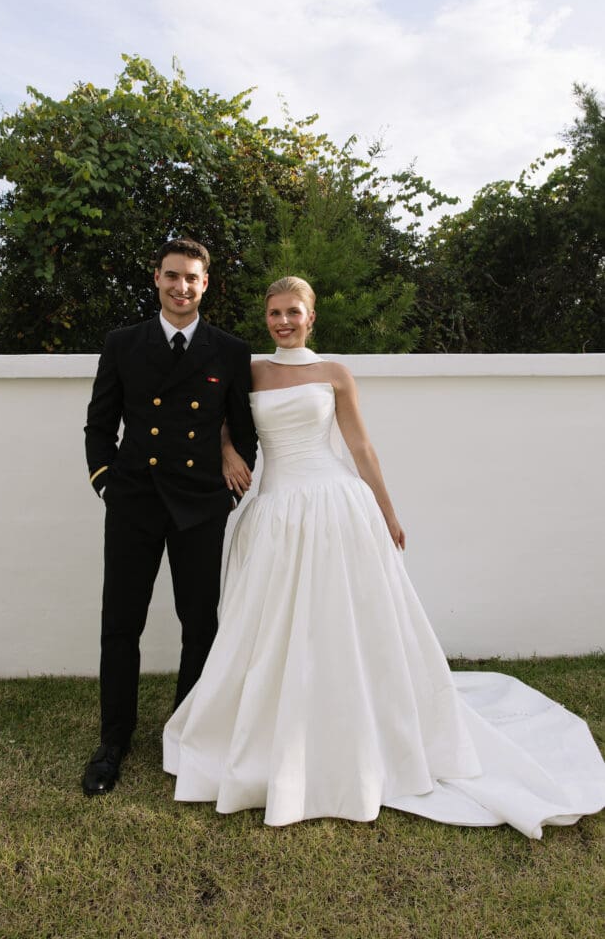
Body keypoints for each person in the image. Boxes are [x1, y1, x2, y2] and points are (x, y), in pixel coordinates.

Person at [163, 276, 605, 837]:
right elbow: (217, 420)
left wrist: (387, 510)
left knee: (342, 621)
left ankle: (357, 726)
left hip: (334, 505)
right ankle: (276, 730)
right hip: (275, 509)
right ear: (266, 317)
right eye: (275, 312)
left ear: (311, 316)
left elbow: (360, 446)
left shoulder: (334, 374)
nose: (283, 321)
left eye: (293, 312)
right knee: (272, 628)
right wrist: (226, 451)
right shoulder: (248, 370)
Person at [82, 238, 257, 796]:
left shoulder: (229, 350)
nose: (182, 287)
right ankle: (114, 742)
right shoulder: (123, 343)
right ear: (156, 279)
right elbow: (99, 425)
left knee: (199, 625)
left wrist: (230, 487)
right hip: (133, 500)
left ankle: (188, 734)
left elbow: (243, 429)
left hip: (200, 507)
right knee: (120, 625)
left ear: (206, 285)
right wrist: (105, 482)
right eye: (172, 276)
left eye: (193, 278)